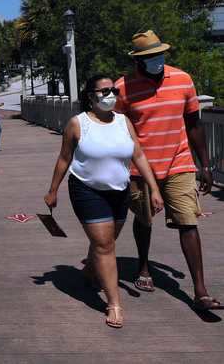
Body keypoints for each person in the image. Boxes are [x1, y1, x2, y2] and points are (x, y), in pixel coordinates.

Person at [44, 74, 163, 328]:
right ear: (90, 95)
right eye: (104, 91)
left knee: (107, 240)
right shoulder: (78, 124)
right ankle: (114, 303)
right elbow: (64, 159)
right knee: (105, 245)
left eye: (114, 91)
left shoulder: (124, 122)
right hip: (87, 190)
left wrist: (154, 189)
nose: (111, 95)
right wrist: (53, 190)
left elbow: (139, 156)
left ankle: (90, 269)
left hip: (119, 191)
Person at [115, 30, 220, 310]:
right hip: (140, 169)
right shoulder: (122, 88)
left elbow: (194, 124)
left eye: (159, 54)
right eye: (149, 56)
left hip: (179, 163)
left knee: (188, 221)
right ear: (138, 60)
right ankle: (144, 267)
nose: (156, 60)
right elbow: (115, 130)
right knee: (144, 220)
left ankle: (200, 291)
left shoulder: (183, 79)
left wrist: (205, 165)